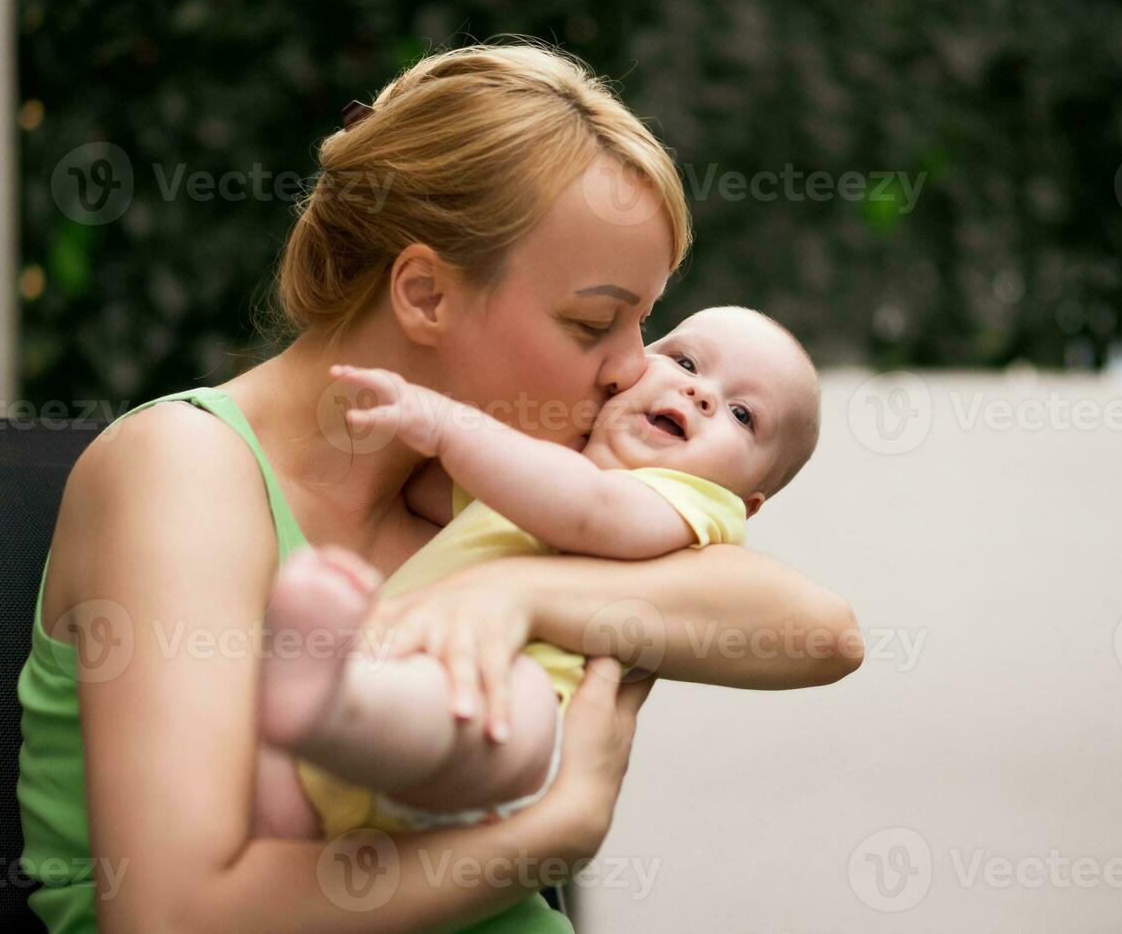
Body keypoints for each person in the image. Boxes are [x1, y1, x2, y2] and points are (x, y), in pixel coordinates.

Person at [15, 40, 862, 934]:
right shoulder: (184, 471)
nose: (632, 371)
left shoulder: (490, 500)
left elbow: (821, 632)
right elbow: (176, 917)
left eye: (645, 323)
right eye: (594, 323)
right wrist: (552, 832)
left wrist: (515, 590)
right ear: (424, 294)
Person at [256, 305, 827, 838]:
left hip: (514, 709)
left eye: (743, 414)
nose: (700, 392)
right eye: (683, 361)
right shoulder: (544, 466)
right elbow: (433, 492)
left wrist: (451, 427)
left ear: (749, 501)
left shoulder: (689, 504)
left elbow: (589, 510)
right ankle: (320, 712)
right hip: (389, 692)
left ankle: (332, 701)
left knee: (496, 710)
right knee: (264, 782)